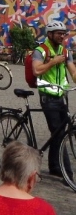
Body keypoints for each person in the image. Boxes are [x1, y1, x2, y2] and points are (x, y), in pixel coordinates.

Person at [32, 20, 76, 180]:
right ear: (50, 34)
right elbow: (36, 70)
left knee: (59, 132)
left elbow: (73, 73)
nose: (62, 36)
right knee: (59, 133)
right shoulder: (41, 50)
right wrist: (52, 62)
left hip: (61, 97)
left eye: (63, 34)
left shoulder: (65, 52)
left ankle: (54, 166)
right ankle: (68, 176)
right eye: (58, 33)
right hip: (48, 98)